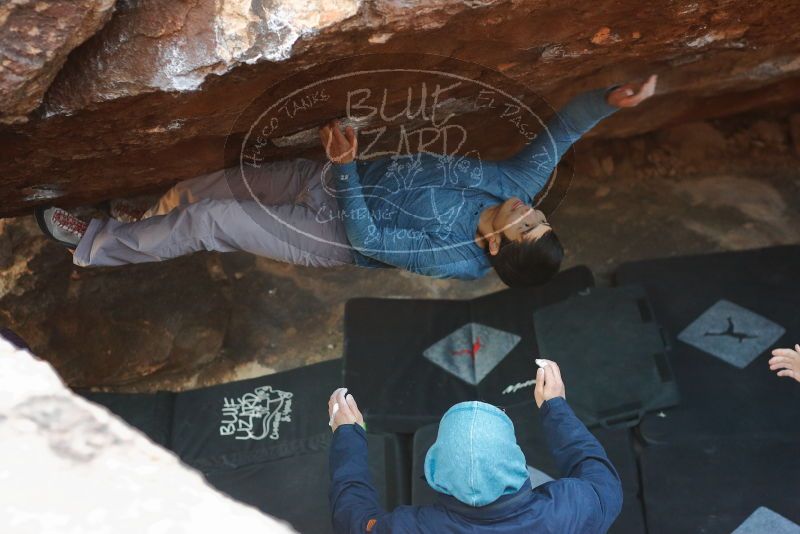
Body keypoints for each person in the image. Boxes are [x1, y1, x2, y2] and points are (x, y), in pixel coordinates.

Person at [36, 76, 656, 286]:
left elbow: (366, 235)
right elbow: (560, 135)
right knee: (202, 190)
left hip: (326, 232)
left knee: (208, 223)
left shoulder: (453, 260)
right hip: (334, 174)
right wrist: (611, 100)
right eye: (540, 216)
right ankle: (140, 224)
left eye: (526, 225)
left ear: (496, 246)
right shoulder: (512, 183)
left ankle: (93, 245)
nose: (529, 209)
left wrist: (342, 165)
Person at [327, 360, 623, 533]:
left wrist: (348, 436)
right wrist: (554, 407)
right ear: (514, 459)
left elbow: (352, 517)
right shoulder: (575, 505)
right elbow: (595, 469)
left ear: (435, 472)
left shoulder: (411, 526)